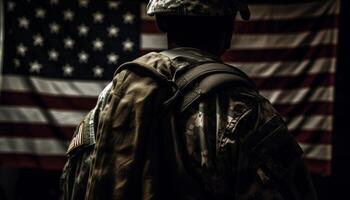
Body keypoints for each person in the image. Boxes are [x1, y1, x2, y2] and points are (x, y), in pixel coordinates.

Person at [61, 0, 317, 199]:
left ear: (161, 20)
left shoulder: (105, 107)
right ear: (228, 26)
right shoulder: (245, 111)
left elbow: (76, 188)